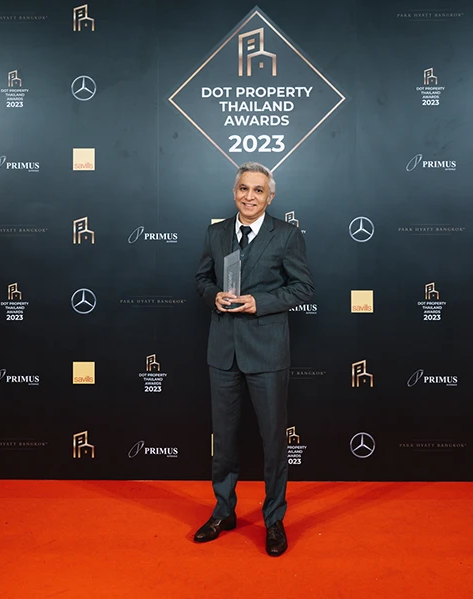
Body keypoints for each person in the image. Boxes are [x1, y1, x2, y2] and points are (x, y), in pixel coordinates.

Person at [193, 161, 315, 557]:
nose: (249, 196)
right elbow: (202, 279)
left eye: (258, 190)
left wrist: (257, 302)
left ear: (270, 196)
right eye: (244, 189)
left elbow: (303, 288)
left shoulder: (287, 235)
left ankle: (274, 519)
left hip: (266, 352)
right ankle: (223, 511)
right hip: (222, 352)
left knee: (273, 440)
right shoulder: (216, 233)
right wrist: (212, 295)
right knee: (224, 439)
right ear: (234, 193)